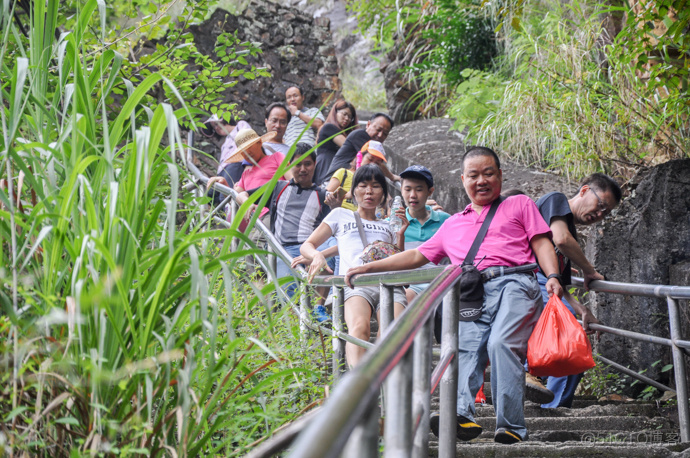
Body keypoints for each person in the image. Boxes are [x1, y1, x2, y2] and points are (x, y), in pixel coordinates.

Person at [345, 147, 563, 444]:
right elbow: (416, 257)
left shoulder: (520, 204)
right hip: (472, 291)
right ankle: (461, 414)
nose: (481, 180)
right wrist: (369, 266)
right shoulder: (452, 224)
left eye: (488, 173)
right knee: (466, 347)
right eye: (473, 175)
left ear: (500, 175)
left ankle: (511, 425)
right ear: (463, 180)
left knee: (501, 343)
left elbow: (541, 243)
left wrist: (552, 276)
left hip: (514, 282)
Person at [301, 164, 408, 367]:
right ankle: (359, 391)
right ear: (354, 190)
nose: (369, 191)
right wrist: (316, 256)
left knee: (390, 333)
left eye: (376, 186)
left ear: (383, 194)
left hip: (390, 285)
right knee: (359, 328)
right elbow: (308, 245)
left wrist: (400, 234)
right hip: (356, 285)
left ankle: (380, 385)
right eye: (363, 185)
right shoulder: (340, 215)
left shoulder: (389, 225)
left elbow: (399, 259)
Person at [531, 172, 621, 408]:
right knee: (570, 342)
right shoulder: (556, 200)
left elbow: (560, 283)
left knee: (575, 342)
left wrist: (581, 309)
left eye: (606, 212)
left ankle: (552, 404)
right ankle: (550, 406)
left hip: (546, 286)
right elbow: (560, 239)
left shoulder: (572, 235)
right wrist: (589, 270)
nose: (599, 214)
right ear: (583, 191)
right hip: (529, 280)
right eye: (600, 205)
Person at [237, 145, 337, 320]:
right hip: (282, 250)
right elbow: (242, 193)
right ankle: (296, 336)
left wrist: (335, 206)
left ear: (315, 165)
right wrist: (247, 202)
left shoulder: (322, 195)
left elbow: (333, 225)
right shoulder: (278, 187)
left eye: (307, 164)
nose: (303, 169)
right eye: (298, 164)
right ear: (290, 165)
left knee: (332, 253)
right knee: (287, 296)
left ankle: (318, 308)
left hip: (310, 248)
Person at [397, 165, 451, 302]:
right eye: (407, 189)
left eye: (419, 189)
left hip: (442, 285)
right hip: (409, 288)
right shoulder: (393, 223)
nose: (413, 195)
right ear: (401, 191)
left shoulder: (446, 221)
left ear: (430, 192)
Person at [323, 113, 395, 183]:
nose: (380, 135)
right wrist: (392, 177)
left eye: (385, 134)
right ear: (368, 124)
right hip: (336, 181)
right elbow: (378, 165)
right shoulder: (359, 135)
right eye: (378, 129)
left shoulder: (376, 146)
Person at [323, 140, 389, 211]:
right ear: (360, 157)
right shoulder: (344, 173)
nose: (372, 164)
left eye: (377, 163)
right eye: (370, 159)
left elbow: (388, 205)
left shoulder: (378, 184)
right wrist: (345, 196)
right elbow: (326, 193)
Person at [313, 100, 358, 185]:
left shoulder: (345, 134)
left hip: (338, 169)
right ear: (335, 113)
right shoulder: (329, 127)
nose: (347, 118)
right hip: (326, 166)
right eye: (344, 114)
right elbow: (348, 146)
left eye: (350, 117)